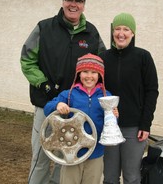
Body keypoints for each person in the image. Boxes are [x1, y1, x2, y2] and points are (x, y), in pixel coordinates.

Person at [20, 0, 106, 184]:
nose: (73, 4)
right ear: (62, 1)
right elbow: (27, 60)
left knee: (66, 158)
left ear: (83, 5)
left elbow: (101, 67)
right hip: (46, 104)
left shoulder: (92, 33)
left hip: (76, 109)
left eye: (78, 1)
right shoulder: (44, 27)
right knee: (41, 157)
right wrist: (43, 85)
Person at [99, 13, 159, 184]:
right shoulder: (104, 58)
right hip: (109, 125)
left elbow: (152, 91)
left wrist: (145, 123)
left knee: (132, 177)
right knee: (110, 177)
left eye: (126, 29)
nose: (121, 33)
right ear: (112, 32)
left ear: (132, 33)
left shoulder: (143, 57)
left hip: (134, 128)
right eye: (117, 29)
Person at [44, 53, 118, 184]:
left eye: (94, 72)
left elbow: (111, 125)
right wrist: (58, 105)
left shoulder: (106, 96)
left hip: (96, 151)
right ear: (79, 74)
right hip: (71, 151)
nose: (89, 76)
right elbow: (47, 108)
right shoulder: (69, 94)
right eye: (85, 71)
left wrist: (114, 117)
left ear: (100, 75)